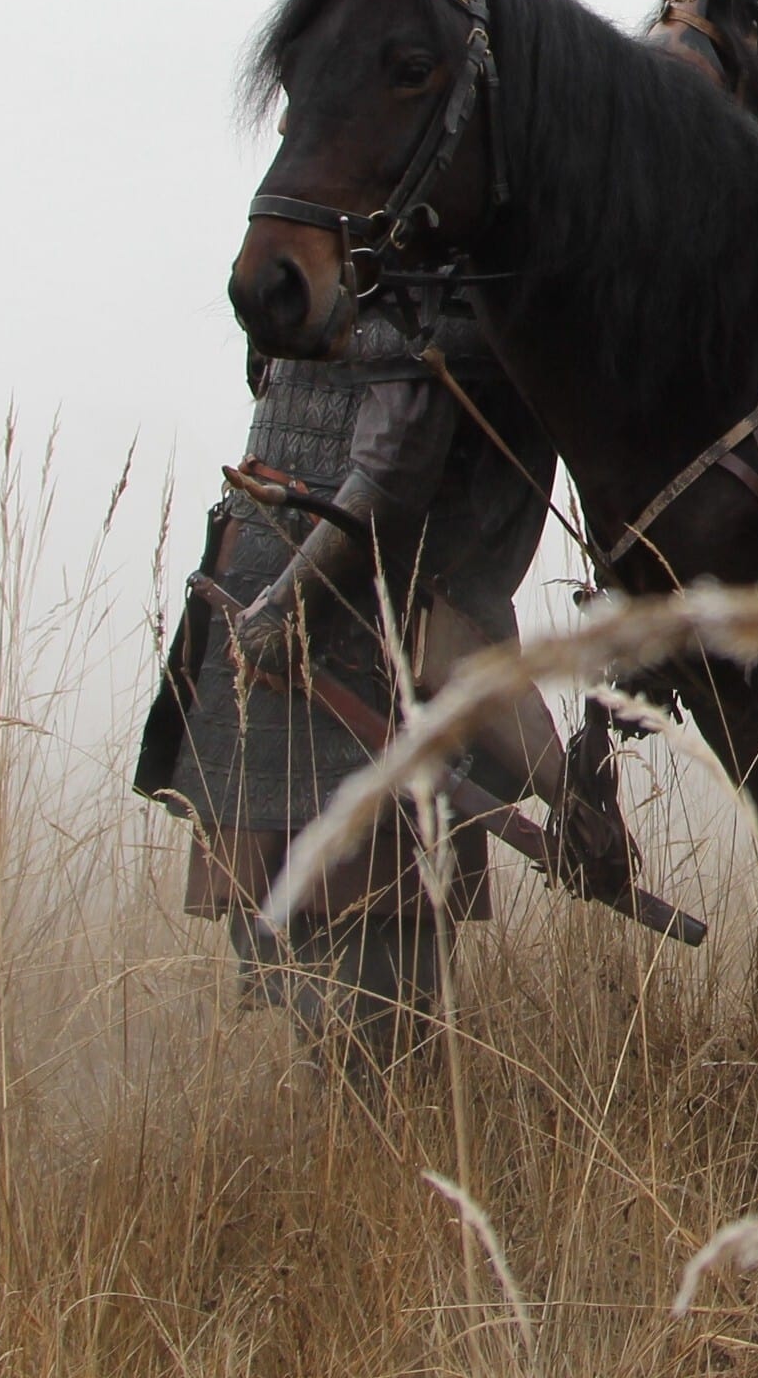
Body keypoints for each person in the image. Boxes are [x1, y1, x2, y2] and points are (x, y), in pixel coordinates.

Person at [133, 301, 604, 1063]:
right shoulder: (332, 247)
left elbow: (395, 469)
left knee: (372, 976)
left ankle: (386, 1151)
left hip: (348, 629)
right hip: (280, 606)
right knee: (305, 960)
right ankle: (350, 1147)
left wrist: (288, 602)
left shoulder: (418, 281)